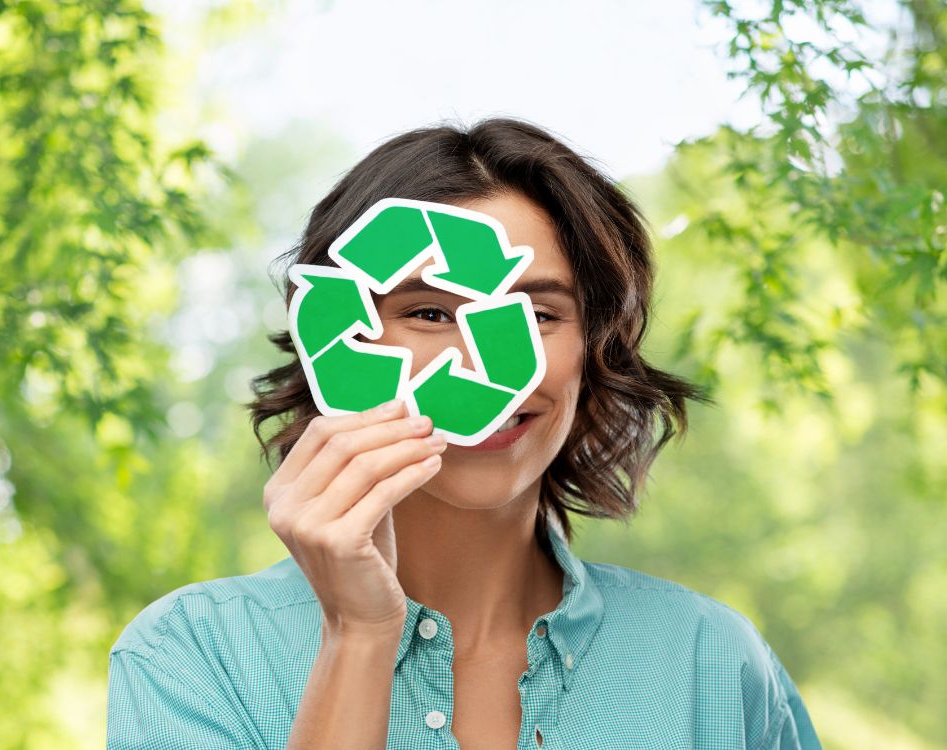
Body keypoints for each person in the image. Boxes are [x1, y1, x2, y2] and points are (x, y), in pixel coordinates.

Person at [106, 117, 823, 750]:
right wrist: (358, 637)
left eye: (539, 316)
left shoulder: (713, 666)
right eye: (428, 313)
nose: (487, 370)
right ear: (335, 335)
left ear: (595, 352)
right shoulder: (192, 654)